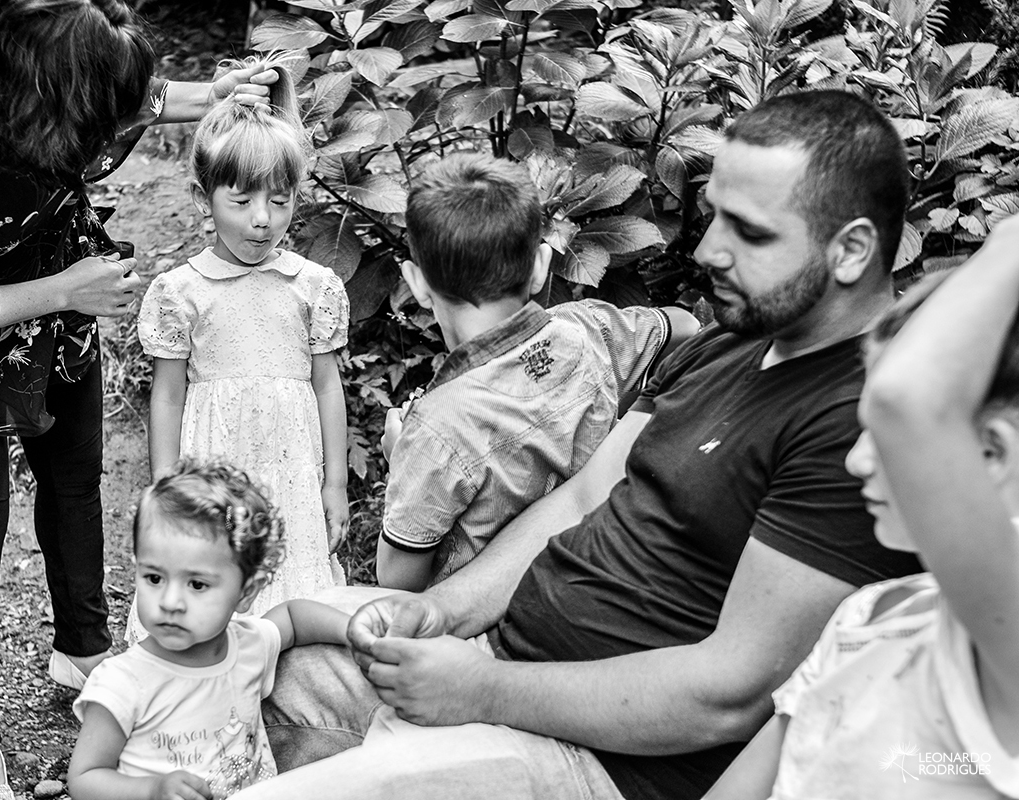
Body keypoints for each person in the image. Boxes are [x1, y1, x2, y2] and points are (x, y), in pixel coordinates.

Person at [243, 89, 925, 800]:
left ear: (850, 250)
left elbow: (729, 695)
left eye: (748, 232)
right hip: (505, 659)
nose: (707, 249)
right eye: (715, 213)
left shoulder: (858, 425)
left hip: (605, 758)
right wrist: (443, 613)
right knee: (282, 673)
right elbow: (586, 494)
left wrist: (479, 691)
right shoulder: (730, 340)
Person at [0, 1, 278, 796]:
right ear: (41, 98)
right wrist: (67, 290)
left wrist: (218, 93)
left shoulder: (63, 37)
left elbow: (124, 92)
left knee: (75, 476)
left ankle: (83, 648)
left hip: (56, 270)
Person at [702, 221, 1019, 799]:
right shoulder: (869, 618)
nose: (854, 462)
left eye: (879, 433)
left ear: (991, 453)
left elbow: (911, 397)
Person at [375, 151, 696, 591]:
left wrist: (401, 458)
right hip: (601, 579)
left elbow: (397, 579)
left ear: (416, 284)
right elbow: (687, 326)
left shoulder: (433, 428)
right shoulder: (588, 327)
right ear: (541, 265)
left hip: (488, 628)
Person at [134, 59, 349, 620]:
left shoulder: (312, 286)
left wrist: (335, 483)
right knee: (211, 604)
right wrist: (165, 488)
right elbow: (168, 396)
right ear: (204, 197)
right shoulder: (181, 291)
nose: (262, 220)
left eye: (280, 202)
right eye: (242, 201)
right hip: (215, 475)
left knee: (293, 607)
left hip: (293, 476)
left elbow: (327, 388)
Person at [68, 459, 350, 800]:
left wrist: (352, 630)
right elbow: (85, 777)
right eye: (154, 578)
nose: (170, 601)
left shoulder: (247, 647)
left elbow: (293, 618)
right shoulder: (123, 682)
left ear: (246, 592)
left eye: (197, 584)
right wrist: (152, 789)